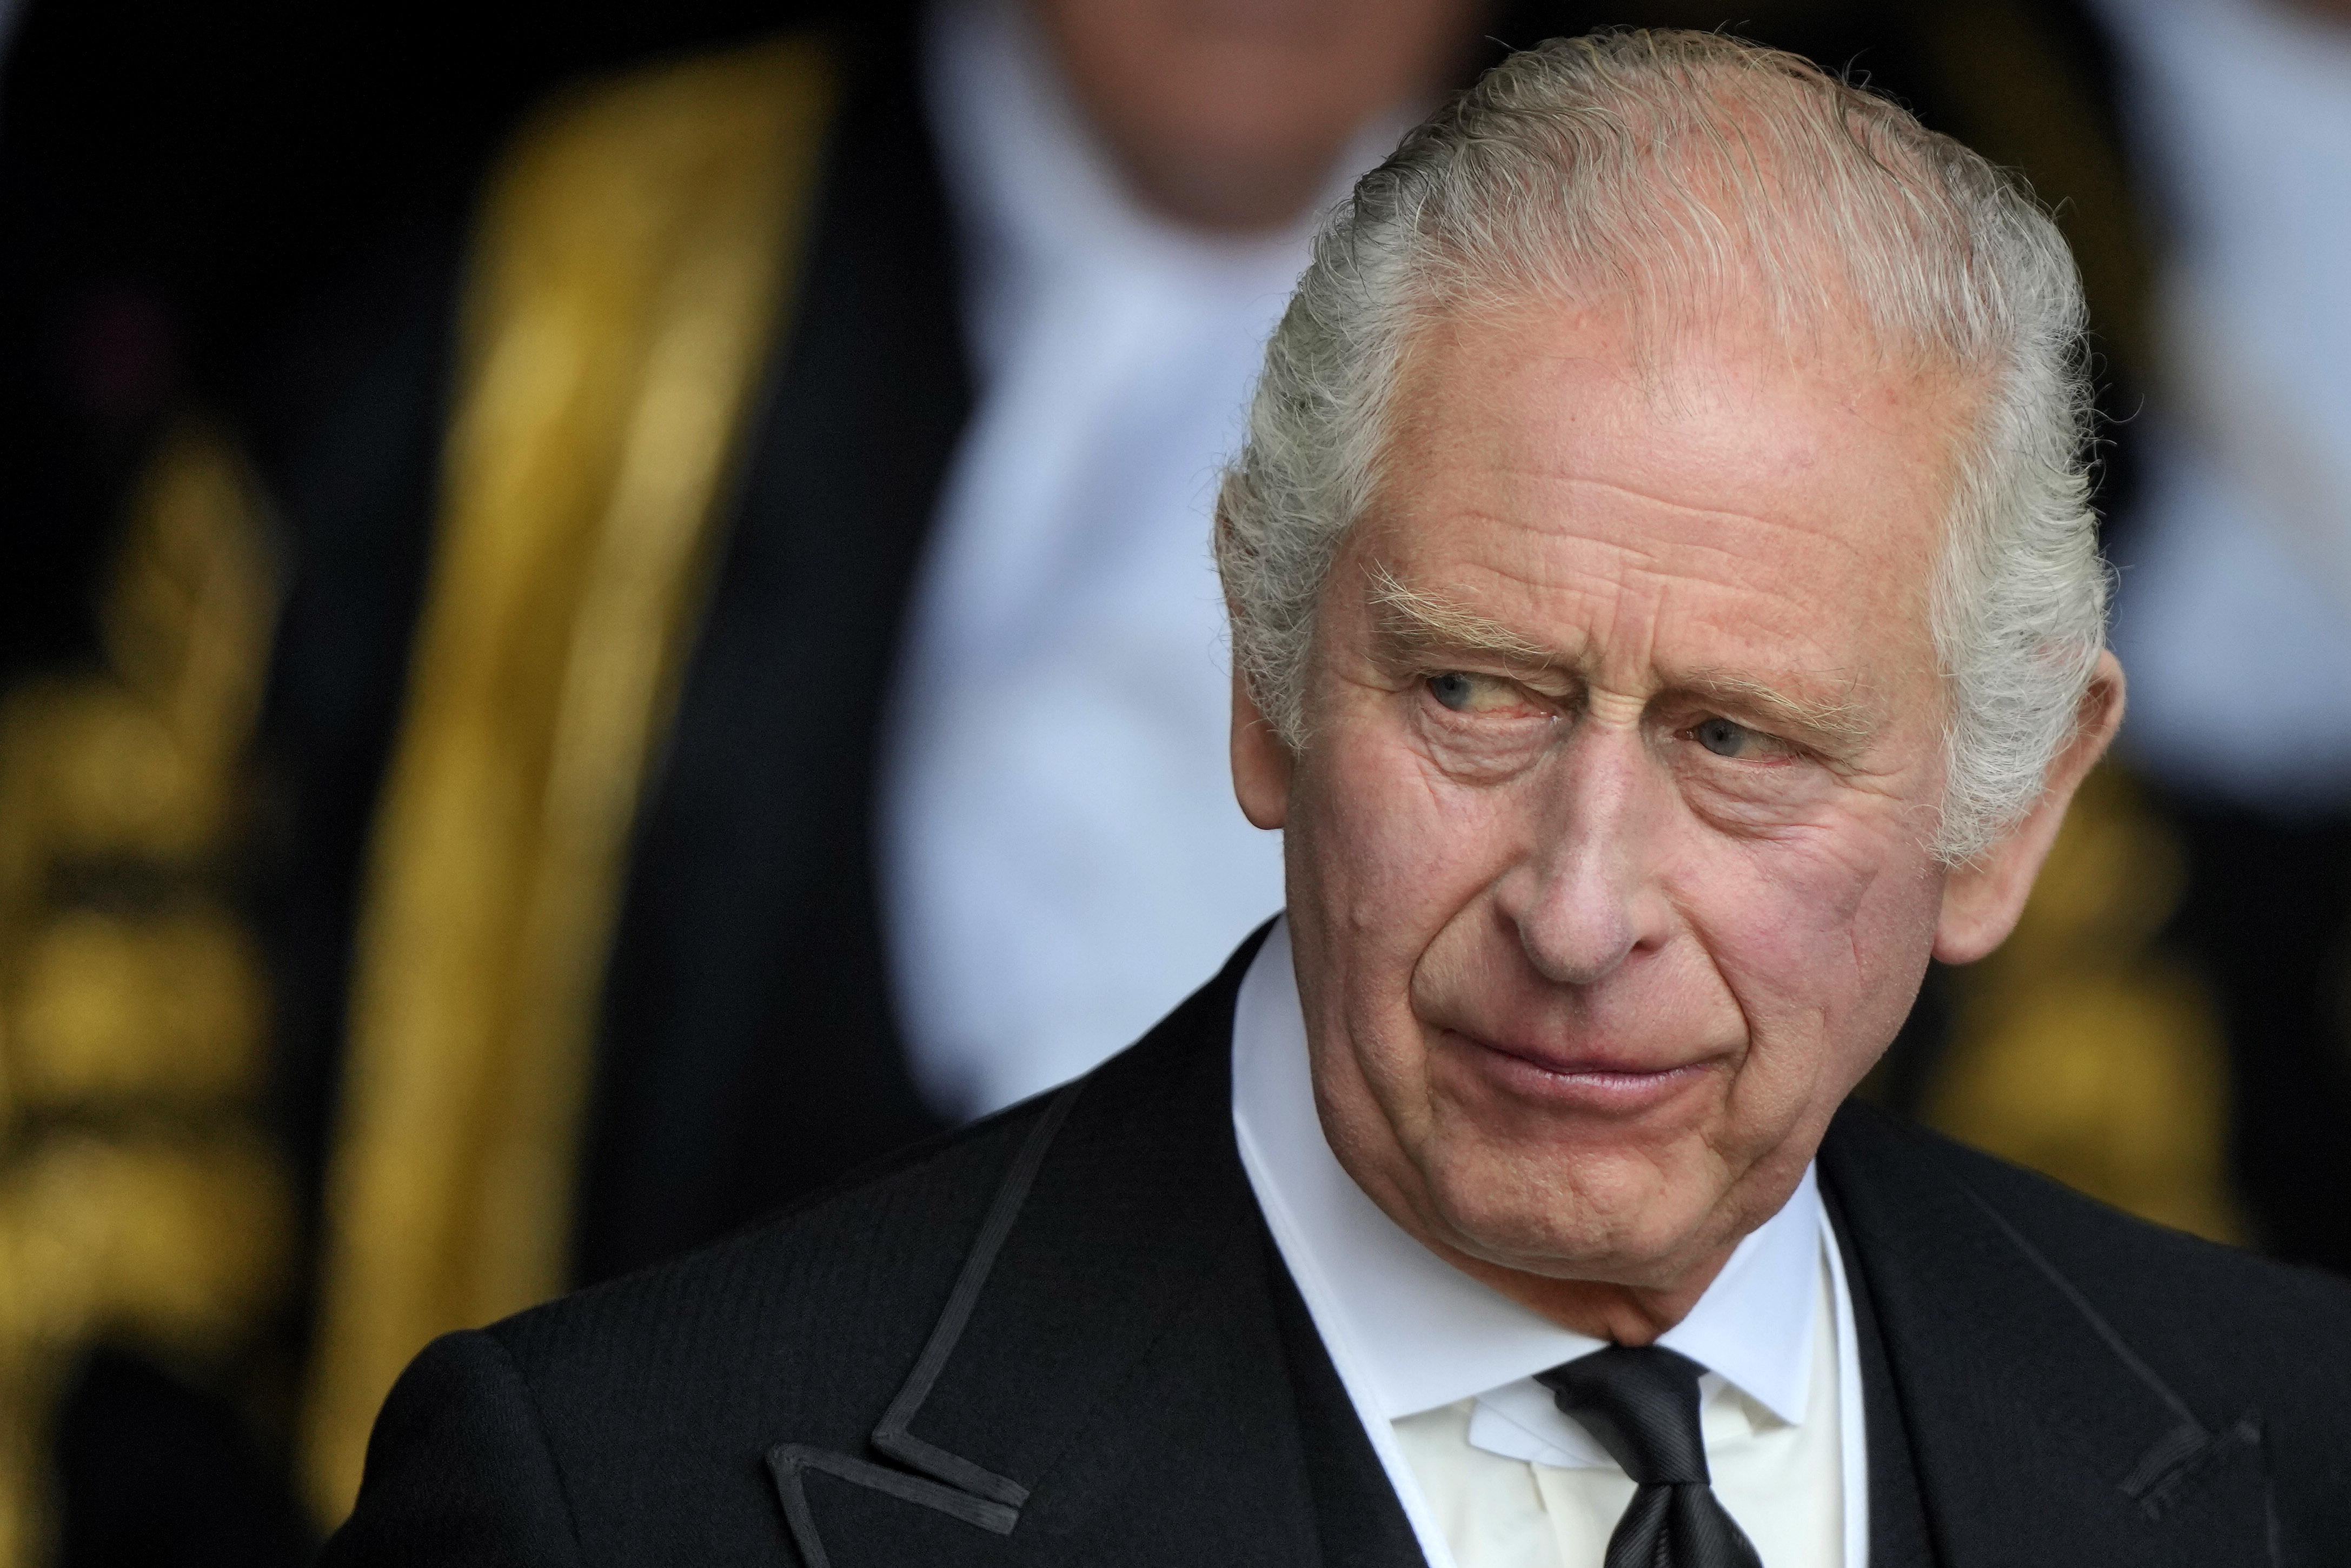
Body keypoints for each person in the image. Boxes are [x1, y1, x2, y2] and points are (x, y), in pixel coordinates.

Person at [320, 29, 2351, 1567]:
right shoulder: (610, 1500)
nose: (1578, 910)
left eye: (1738, 741)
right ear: (1266, 684)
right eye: (1472, 689)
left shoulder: (2298, 1438)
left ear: (2010, 813)